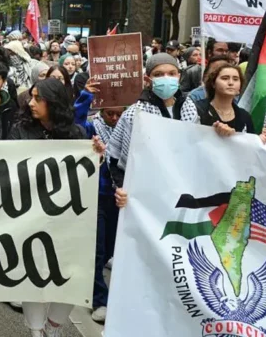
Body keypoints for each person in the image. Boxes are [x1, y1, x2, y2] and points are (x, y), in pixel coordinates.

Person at [6, 78, 105, 337]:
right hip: (29, 216)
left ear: (54, 102)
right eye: (31, 97)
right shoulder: (20, 130)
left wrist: (96, 157)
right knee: (32, 274)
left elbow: (86, 177)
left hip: (66, 220)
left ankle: (54, 326)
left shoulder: (77, 134)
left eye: (38, 98)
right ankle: (36, 331)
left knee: (71, 274)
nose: (31, 103)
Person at [107, 53, 185, 189]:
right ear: (147, 79)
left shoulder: (189, 108)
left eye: (172, 73)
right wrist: (121, 188)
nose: (166, 78)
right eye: (159, 74)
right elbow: (115, 158)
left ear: (179, 76)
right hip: (146, 187)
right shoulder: (135, 114)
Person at [89, 106, 125, 324]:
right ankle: (99, 299)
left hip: (121, 196)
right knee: (98, 250)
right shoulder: (91, 125)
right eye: (109, 114)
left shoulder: (131, 125)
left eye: (118, 114)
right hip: (97, 195)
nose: (114, 118)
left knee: (110, 248)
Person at [180, 63, 254, 134]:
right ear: (213, 83)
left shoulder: (244, 116)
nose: (231, 83)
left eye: (235, 79)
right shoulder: (195, 107)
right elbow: (186, 137)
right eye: (225, 78)